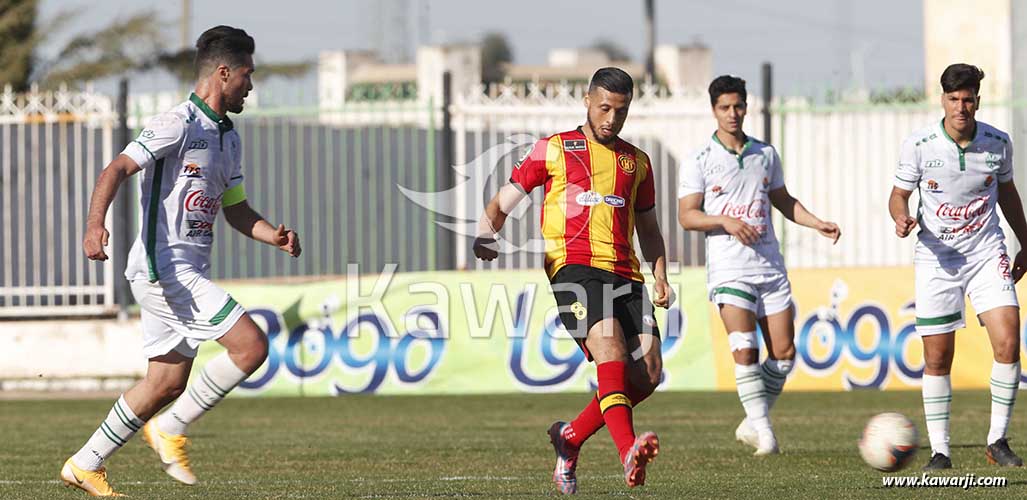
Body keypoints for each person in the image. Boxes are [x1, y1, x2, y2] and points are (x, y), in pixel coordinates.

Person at [62, 25, 301, 496]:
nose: (251, 87)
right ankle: (171, 428)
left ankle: (84, 465)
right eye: (247, 76)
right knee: (251, 347)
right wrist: (94, 224)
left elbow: (235, 210)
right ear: (224, 72)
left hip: (186, 271)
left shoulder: (228, 139)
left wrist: (271, 234)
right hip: (164, 268)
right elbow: (117, 168)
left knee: (166, 381)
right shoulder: (177, 123)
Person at [473, 67, 673, 494]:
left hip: (626, 273)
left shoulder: (636, 162)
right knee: (611, 351)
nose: (612, 119)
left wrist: (660, 274)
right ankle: (628, 452)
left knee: (649, 374)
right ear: (586, 100)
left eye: (621, 111)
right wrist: (485, 236)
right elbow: (504, 200)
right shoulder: (554, 149)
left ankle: (571, 438)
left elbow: (650, 228)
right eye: (605, 108)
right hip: (574, 267)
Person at [678, 75, 840, 456]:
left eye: (738, 106)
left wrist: (816, 222)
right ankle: (765, 434)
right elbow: (687, 216)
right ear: (713, 110)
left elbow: (783, 200)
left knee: (784, 356)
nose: (732, 114)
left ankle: (753, 420)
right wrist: (725, 221)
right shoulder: (699, 159)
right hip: (729, 267)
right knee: (745, 348)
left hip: (769, 266)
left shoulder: (765, 154)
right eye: (724, 107)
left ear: (747, 107)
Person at [889, 63, 1027, 470]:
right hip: (936, 258)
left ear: (977, 101)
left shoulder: (997, 143)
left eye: (968, 99)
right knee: (937, 356)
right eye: (954, 99)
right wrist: (900, 217)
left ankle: (997, 440)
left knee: (1008, 341)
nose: (961, 107)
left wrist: (1026, 240)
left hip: (987, 252)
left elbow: (1008, 195)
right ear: (943, 100)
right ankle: (940, 450)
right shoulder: (919, 146)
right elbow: (897, 196)